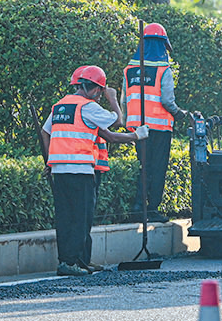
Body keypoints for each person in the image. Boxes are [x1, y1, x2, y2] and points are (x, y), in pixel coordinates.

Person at [41, 65, 146, 276]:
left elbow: (45, 132)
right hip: (80, 171)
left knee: (65, 217)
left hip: (60, 171)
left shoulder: (60, 106)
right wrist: (114, 99)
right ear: (97, 89)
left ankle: (74, 261)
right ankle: (70, 263)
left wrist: (49, 160)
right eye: (100, 92)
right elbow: (118, 121)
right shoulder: (87, 107)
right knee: (81, 218)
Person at [122, 22, 187, 222]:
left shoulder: (129, 70)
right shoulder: (163, 70)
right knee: (157, 168)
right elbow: (167, 101)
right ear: (162, 45)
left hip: (138, 128)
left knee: (144, 166)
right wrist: (179, 113)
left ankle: (137, 207)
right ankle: (152, 210)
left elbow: (124, 100)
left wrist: (127, 123)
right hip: (159, 127)